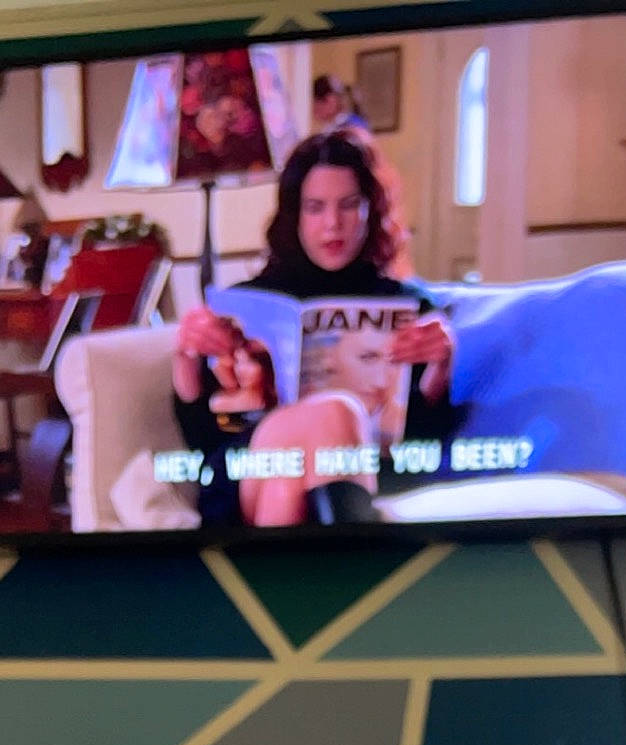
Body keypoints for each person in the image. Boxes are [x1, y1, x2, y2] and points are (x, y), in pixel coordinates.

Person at [172, 131, 453, 526]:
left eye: (349, 205)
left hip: (351, 471)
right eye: (315, 208)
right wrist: (185, 357)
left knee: (287, 486)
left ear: (371, 210)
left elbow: (424, 445)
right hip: (246, 470)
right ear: (295, 215)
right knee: (336, 412)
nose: (333, 224)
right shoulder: (248, 303)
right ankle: (357, 575)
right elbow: (202, 438)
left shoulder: (411, 306)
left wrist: (439, 370)